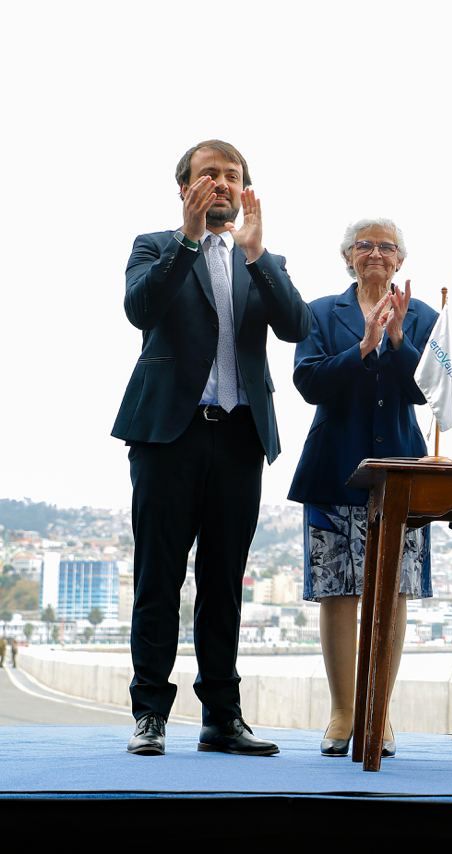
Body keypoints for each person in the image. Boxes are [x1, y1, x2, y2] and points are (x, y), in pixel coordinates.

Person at [113, 140, 311, 756]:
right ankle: (149, 714)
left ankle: (222, 717)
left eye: (232, 176)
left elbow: (297, 326)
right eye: (209, 175)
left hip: (238, 436)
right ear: (185, 187)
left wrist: (257, 255)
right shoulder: (155, 246)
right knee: (159, 577)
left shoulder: (261, 258)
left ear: (245, 188)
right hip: (168, 433)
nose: (221, 183)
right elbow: (140, 308)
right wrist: (190, 239)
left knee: (223, 581)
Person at [289, 218, 438, 758]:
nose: (375, 253)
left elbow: (431, 389)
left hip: (401, 473)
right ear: (347, 255)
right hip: (333, 467)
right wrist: (363, 346)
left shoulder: (425, 314)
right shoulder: (319, 312)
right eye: (364, 245)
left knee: (393, 595)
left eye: (386, 246)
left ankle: (379, 711)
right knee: (337, 590)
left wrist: (396, 339)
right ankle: (343, 711)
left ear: (400, 259)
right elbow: (307, 380)